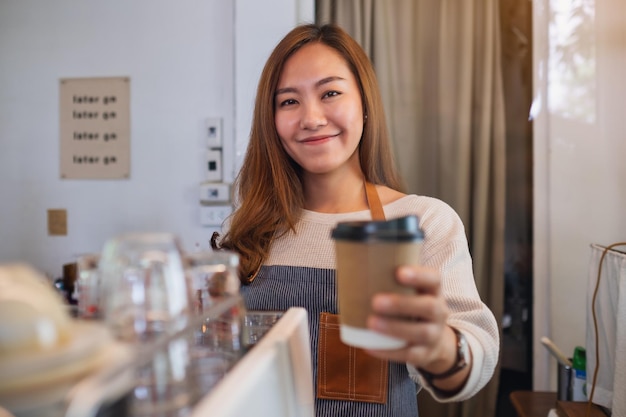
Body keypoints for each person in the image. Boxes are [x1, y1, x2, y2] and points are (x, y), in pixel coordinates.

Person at [212, 23, 499, 416]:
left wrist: (441, 348)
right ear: (271, 120)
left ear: (364, 104)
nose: (311, 118)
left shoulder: (422, 220)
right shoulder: (245, 231)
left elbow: (475, 350)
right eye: (288, 102)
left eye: (330, 93)